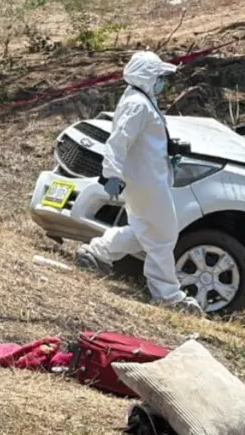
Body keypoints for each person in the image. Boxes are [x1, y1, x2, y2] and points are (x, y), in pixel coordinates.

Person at [75, 52, 204, 316]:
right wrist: (111, 174)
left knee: (141, 230)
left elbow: (143, 141)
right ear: (147, 76)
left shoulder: (142, 101)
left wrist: (169, 151)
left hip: (149, 179)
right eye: (159, 77)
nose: (162, 82)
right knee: (163, 236)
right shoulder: (137, 104)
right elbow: (118, 141)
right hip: (146, 183)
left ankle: (97, 252)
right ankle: (167, 294)